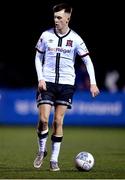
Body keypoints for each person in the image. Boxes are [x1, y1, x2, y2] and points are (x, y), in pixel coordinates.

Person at [33, 3, 100, 171]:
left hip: (66, 84)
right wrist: (40, 78)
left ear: (68, 19)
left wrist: (93, 82)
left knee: (57, 121)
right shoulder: (45, 35)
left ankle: (54, 160)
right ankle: (42, 150)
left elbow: (87, 60)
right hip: (47, 82)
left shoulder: (76, 39)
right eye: (54, 17)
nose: (56, 20)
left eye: (59, 18)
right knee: (43, 120)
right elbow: (37, 58)